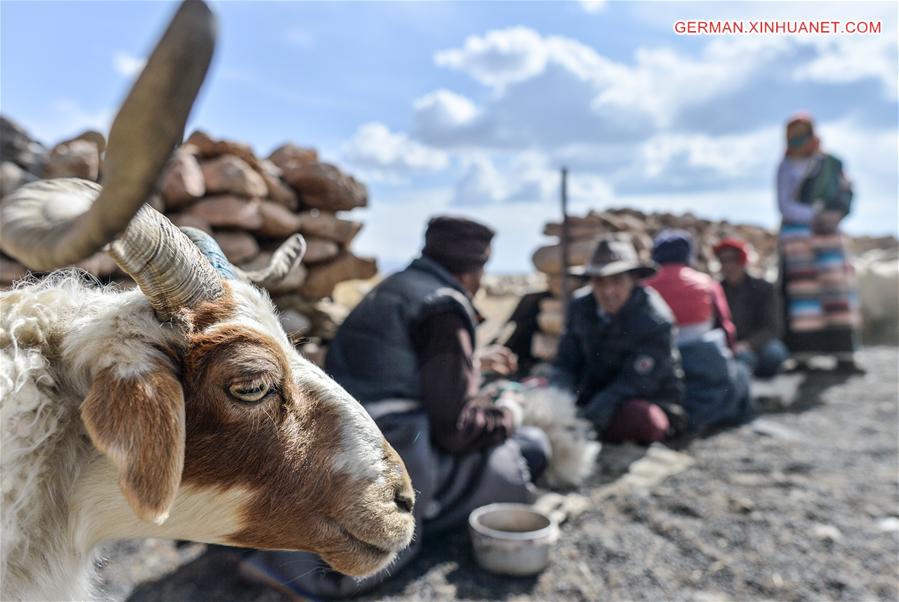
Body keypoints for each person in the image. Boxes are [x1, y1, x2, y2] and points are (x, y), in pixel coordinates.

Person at [241, 216, 551, 598]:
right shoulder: (445, 310)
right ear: (474, 271)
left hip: (334, 438)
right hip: (396, 447)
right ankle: (322, 570)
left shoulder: (394, 288)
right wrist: (510, 412)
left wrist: (470, 362)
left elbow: (394, 362)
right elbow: (456, 431)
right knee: (530, 449)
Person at [552, 235, 685, 444]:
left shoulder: (655, 319)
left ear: (633, 280)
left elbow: (639, 381)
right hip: (592, 392)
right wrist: (559, 398)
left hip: (640, 397)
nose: (608, 291)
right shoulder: (580, 306)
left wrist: (595, 412)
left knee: (646, 420)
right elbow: (565, 362)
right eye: (600, 282)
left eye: (616, 281)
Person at [777, 113, 863, 372]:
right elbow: (784, 204)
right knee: (805, 294)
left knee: (836, 291)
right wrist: (815, 215)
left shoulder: (831, 164)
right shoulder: (786, 166)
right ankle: (804, 353)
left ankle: (844, 352)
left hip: (829, 236)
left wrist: (834, 215)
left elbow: (846, 193)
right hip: (798, 238)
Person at [645, 231, 752, 433]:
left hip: (659, 365)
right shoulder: (706, 283)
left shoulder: (645, 287)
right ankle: (740, 418)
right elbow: (725, 327)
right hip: (702, 363)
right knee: (739, 372)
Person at [713, 237, 789, 378]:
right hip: (731, 347)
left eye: (732, 260)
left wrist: (749, 344)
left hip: (759, 344)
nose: (728, 266)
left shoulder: (764, 288)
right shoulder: (717, 290)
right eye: (723, 261)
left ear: (742, 261)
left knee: (774, 354)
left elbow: (773, 327)